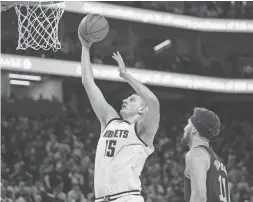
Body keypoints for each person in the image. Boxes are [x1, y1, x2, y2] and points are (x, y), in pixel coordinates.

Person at [79, 35, 160, 202]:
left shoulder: (143, 131)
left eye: (132, 99)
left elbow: (153, 102)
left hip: (126, 198)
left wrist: (125, 75)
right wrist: (85, 48)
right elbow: (88, 82)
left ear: (142, 110)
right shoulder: (110, 120)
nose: (124, 100)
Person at [182, 107, 230, 202]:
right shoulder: (218, 162)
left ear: (194, 129)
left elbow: (199, 197)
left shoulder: (196, 153)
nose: (184, 128)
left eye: (188, 124)